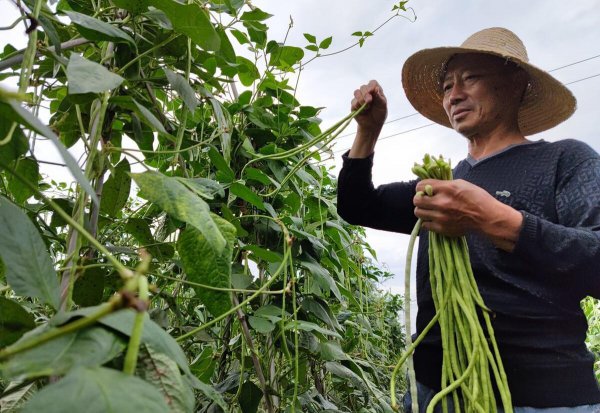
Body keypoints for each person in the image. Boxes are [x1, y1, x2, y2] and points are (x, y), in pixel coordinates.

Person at [337, 27, 600, 412]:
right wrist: (367, 132)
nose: (453, 95)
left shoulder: (565, 161)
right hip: (433, 391)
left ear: (515, 84)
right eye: (446, 86)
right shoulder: (443, 186)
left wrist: (493, 218)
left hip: (543, 398)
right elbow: (357, 205)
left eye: (470, 79)